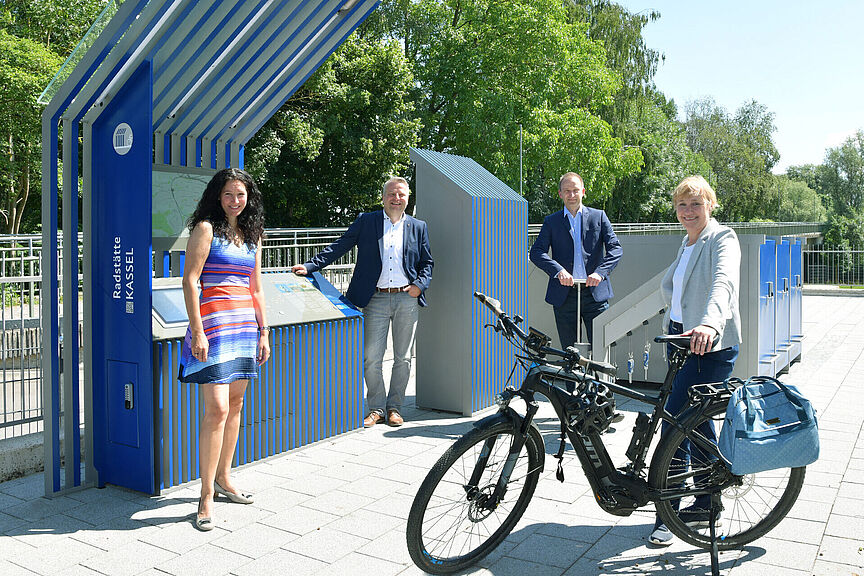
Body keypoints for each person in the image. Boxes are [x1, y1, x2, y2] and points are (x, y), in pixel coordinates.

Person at [292, 177, 433, 428]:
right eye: (391, 194)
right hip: (375, 298)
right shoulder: (366, 221)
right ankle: (376, 408)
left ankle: (395, 408)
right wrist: (311, 265)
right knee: (371, 357)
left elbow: (426, 263)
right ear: (383, 197)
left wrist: (419, 286)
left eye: (401, 194)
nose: (396, 199)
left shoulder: (418, 226)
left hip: (406, 298)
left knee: (403, 358)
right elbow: (341, 245)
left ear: (407, 198)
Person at [649, 175, 741, 546]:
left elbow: (723, 283)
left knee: (675, 425)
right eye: (682, 205)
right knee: (697, 426)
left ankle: (667, 513)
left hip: (708, 345)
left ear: (710, 205)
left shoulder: (722, 238)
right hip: (681, 341)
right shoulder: (687, 241)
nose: (688, 211)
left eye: (696, 204)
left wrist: (709, 323)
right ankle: (705, 502)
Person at [179, 168, 270, 531]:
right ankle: (205, 496)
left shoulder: (252, 235)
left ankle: (224, 478)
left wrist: (264, 332)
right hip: (213, 328)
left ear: (249, 198)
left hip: (244, 328)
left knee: (235, 405)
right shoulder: (206, 229)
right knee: (215, 409)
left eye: (241, 195)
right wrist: (197, 332)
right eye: (229, 194)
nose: (235, 201)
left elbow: (256, 288)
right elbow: (190, 281)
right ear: (218, 195)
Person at [530, 172, 622, 350]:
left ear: (583, 192)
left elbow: (616, 249)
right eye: (567, 191)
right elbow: (536, 252)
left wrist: (600, 273)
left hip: (595, 295)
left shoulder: (599, 216)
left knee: (601, 349)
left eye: (575, 190)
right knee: (570, 353)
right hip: (564, 296)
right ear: (560, 194)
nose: (571, 195)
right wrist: (558, 271)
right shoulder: (551, 222)